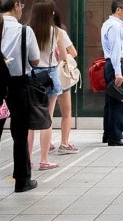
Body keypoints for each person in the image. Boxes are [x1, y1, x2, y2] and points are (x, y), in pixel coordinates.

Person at [0, 0, 40, 192]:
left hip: (0, 86)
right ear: (16, 5)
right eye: (21, 5)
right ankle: (22, 180)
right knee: (20, 133)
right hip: (19, 86)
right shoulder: (25, 31)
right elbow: (34, 61)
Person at [27, 0, 67, 170]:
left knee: (29, 121)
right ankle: (44, 160)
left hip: (32, 75)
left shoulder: (27, 30)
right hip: (49, 74)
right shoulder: (56, 31)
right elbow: (64, 57)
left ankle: (27, 160)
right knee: (47, 118)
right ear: (50, 13)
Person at [101, 0, 123, 146]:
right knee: (119, 101)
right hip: (118, 63)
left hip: (114, 64)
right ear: (118, 10)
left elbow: (120, 42)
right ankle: (116, 136)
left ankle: (108, 134)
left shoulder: (111, 24)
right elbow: (116, 50)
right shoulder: (114, 26)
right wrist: (118, 72)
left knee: (110, 101)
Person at [51, 10, 78, 155]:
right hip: (59, 75)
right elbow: (73, 53)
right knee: (66, 112)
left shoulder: (32, 31)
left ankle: (47, 143)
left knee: (46, 112)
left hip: (40, 76)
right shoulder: (59, 31)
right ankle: (64, 143)